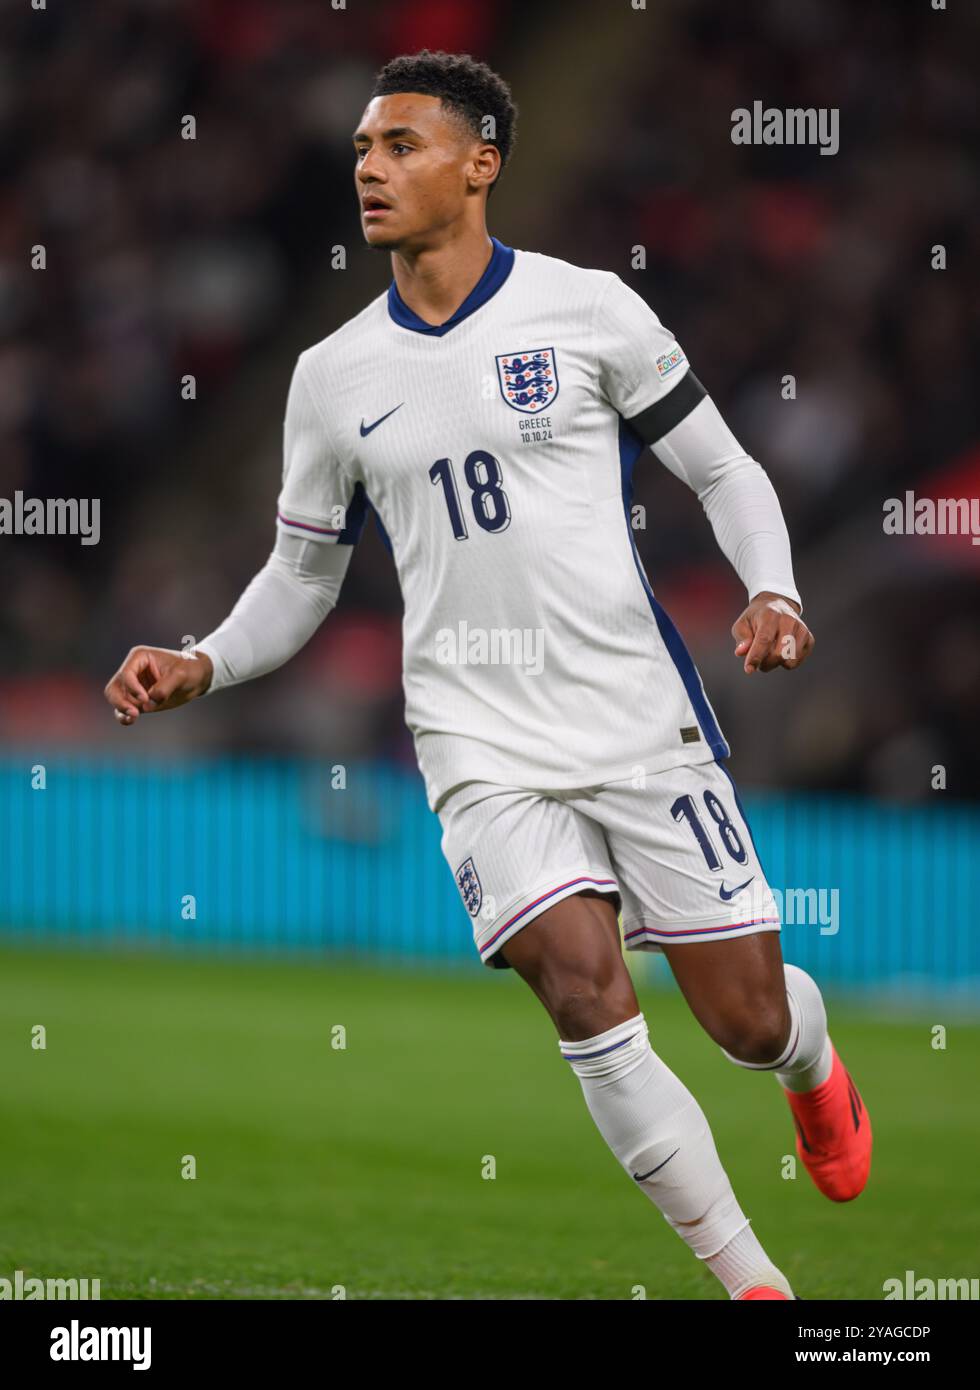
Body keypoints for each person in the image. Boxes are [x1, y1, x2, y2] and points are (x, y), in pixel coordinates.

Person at [104, 48, 871, 1301]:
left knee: (741, 1018)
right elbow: (300, 580)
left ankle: (808, 1063)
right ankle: (753, 1286)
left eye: (400, 146)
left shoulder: (589, 312)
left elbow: (726, 472)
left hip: (632, 716)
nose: (368, 167)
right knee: (580, 990)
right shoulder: (329, 377)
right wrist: (203, 659)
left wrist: (772, 590)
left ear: (481, 163)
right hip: (475, 744)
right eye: (361, 148)